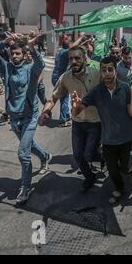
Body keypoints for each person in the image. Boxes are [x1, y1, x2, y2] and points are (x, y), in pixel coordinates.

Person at [0, 31, 52, 205]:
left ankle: (25, 187)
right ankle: (45, 156)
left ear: (24, 55)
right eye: (12, 53)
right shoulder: (6, 67)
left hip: (30, 116)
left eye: (18, 53)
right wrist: (4, 42)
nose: (14, 56)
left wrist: (31, 45)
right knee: (28, 144)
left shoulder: (31, 69)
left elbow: (40, 62)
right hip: (14, 117)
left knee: (23, 153)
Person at [71, 56, 132, 204]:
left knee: (126, 168)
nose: (107, 73)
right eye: (103, 70)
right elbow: (76, 113)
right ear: (100, 73)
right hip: (108, 140)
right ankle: (120, 188)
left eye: (110, 69)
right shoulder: (97, 92)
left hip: (126, 138)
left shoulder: (125, 87)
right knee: (113, 169)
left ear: (115, 70)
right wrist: (76, 105)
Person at [39, 46, 102, 192]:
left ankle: (107, 158)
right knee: (78, 156)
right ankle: (89, 178)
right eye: (70, 59)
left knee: (88, 155)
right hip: (78, 123)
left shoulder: (97, 74)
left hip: (96, 122)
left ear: (85, 59)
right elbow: (53, 97)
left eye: (77, 58)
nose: (73, 61)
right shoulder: (65, 77)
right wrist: (46, 112)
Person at [52, 33, 86, 127]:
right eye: (69, 40)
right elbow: (73, 47)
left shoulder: (60, 51)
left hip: (55, 76)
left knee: (64, 98)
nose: (70, 41)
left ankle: (66, 115)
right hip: (60, 77)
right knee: (64, 99)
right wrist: (81, 37)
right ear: (65, 42)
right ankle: (63, 120)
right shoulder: (64, 52)